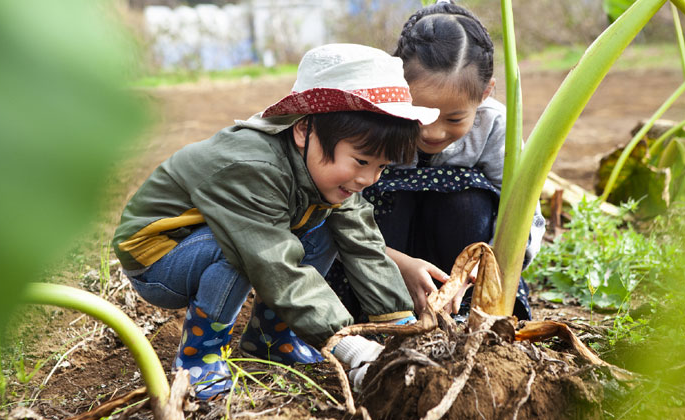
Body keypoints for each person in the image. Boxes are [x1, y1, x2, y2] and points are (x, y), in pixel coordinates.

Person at [112, 43, 439, 399]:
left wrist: (401, 326)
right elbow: (271, 262)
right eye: (361, 161)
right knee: (242, 252)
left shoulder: (327, 176)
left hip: (211, 240)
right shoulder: (252, 168)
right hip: (158, 255)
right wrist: (351, 347)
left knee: (328, 228)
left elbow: (364, 244)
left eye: (381, 167)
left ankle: (271, 341)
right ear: (303, 131)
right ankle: (199, 359)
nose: (368, 179)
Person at [325, 0, 545, 322]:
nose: (432, 131)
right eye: (420, 115)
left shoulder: (496, 126)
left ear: (485, 93)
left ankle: (458, 314)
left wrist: (480, 271)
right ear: (398, 86)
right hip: (376, 257)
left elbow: (523, 214)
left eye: (454, 118)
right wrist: (397, 262)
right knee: (378, 193)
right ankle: (385, 310)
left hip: (458, 272)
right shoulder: (376, 118)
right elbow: (334, 208)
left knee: (470, 199)